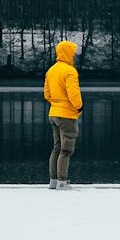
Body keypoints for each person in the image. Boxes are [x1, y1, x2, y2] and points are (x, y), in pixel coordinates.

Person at [44, 39, 83, 189]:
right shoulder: (70, 71)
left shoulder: (51, 70)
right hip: (67, 115)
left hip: (53, 114)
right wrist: (79, 107)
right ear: (68, 53)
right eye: (72, 53)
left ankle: (53, 181)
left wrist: (57, 103)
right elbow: (74, 93)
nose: (74, 56)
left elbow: (47, 94)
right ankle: (62, 182)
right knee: (66, 150)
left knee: (57, 148)